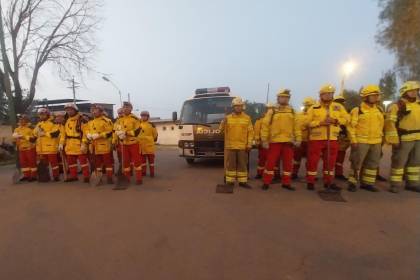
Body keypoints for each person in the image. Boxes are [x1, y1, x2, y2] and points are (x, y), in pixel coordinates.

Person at [305, 84, 349, 191]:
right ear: (321, 95)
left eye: (331, 93)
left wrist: (336, 121)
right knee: (313, 161)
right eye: (327, 94)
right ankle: (310, 181)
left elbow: (347, 119)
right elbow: (307, 122)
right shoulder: (314, 108)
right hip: (316, 139)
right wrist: (320, 123)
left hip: (332, 138)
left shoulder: (338, 107)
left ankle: (328, 181)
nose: (329, 96)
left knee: (330, 162)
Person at [261, 89, 301, 191]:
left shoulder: (292, 111)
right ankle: (266, 182)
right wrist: (264, 140)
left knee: (288, 164)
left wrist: (298, 139)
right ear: (278, 98)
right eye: (282, 97)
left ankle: (286, 183)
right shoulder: (272, 111)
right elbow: (265, 126)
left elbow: (297, 127)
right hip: (274, 142)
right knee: (270, 163)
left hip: (288, 142)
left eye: (286, 97)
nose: (284, 99)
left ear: (289, 99)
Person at [347, 85, 384, 192]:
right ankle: (352, 183)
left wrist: (382, 139)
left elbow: (382, 125)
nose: (376, 97)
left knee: (372, 164)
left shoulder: (380, 110)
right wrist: (353, 140)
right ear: (365, 97)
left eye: (377, 95)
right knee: (356, 163)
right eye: (373, 95)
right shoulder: (357, 110)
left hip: (376, 141)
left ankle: (368, 183)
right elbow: (351, 127)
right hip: (361, 142)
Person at [385, 81, 420, 193]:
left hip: (418, 138)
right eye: (411, 91)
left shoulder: (419, 105)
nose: (414, 93)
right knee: (399, 162)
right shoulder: (397, 106)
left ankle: (413, 184)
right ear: (404, 92)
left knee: (415, 163)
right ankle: (395, 185)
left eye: (416, 90)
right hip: (404, 139)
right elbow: (390, 124)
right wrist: (394, 140)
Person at [219, 97, 254, 188]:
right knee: (231, 165)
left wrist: (249, 144)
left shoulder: (247, 118)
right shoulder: (227, 118)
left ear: (243, 107)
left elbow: (250, 132)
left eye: (240, 106)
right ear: (233, 107)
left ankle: (243, 182)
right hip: (230, 146)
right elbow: (221, 131)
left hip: (242, 147)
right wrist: (223, 122)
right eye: (236, 106)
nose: (238, 108)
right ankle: (230, 182)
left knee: (242, 165)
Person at [59, 103, 90, 182]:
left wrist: (84, 143)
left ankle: (86, 176)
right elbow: (63, 134)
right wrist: (61, 143)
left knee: (83, 162)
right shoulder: (65, 121)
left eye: (70, 110)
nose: (69, 111)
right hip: (69, 145)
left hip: (79, 144)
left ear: (75, 110)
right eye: (67, 110)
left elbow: (85, 133)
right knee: (71, 163)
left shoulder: (81, 119)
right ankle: (73, 176)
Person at [114, 102, 143, 185]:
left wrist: (126, 133)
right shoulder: (119, 120)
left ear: (131, 108)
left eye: (127, 107)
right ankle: (127, 179)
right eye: (124, 107)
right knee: (125, 162)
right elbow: (115, 130)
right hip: (124, 144)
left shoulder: (135, 119)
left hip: (133, 143)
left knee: (137, 161)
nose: (125, 108)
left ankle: (139, 178)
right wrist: (118, 134)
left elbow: (137, 132)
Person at [86, 104, 114, 184]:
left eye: (95, 110)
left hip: (104, 146)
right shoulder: (90, 122)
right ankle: (99, 179)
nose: (93, 112)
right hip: (94, 146)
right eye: (92, 110)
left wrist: (99, 135)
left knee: (108, 163)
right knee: (97, 164)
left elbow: (109, 132)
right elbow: (87, 130)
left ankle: (109, 178)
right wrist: (88, 134)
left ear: (101, 111)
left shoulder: (106, 121)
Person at [33, 108, 62, 181]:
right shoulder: (39, 124)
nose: (41, 116)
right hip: (41, 149)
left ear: (47, 114)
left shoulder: (53, 123)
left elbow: (56, 133)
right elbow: (34, 134)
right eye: (40, 115)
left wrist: (45, 133)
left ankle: (56, 176)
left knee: (54, 164)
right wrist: (36, 133)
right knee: (43, 164)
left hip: (50, 148)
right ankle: (45, 177)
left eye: (43, 114)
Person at [292, 97, 315, 179]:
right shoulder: (298, 115)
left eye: (310, 105)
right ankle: (294, 173)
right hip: (300, 140)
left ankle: (310, 175)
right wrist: (305, 127)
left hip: (311, 141)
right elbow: (296, 126)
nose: (308, 107)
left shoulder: (315, 115)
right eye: (307, 105)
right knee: (296, 159)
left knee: (310, 160)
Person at [12, 114, 37, 182]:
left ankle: (34, 176)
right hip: (21, 148)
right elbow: (14, 139)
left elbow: (33, 139)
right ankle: (26, 175)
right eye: (20, 120)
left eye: (23, 120)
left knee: (32, 162)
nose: (21, 121)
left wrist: (23, 136)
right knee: (23, 163)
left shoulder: (30, 128)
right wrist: (14, 139)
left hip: (30, 148)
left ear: (26, 120)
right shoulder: (17, 129)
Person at [254, 103, 274, 179]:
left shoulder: (275, 119)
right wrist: (257, 141)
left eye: (272, 108)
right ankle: (260, 173)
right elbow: (257, 131)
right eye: (269, 108)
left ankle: (274, 175)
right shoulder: (261, 120)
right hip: (264, 143)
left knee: (273, 161)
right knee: (262, 159)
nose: (271, 110)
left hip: (273, 143)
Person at [333, 95, 350, 180]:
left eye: (342, 102)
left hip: (343, 138)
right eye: (338, 102)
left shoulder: (345, 113)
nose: (340, 104)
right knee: (332, 157)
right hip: (334, 137)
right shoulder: (331, 111)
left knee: (340, 157)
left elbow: (348, 123)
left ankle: (338, 174)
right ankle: (329, 175)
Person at [139, 111, 158, 177]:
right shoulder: (138, 124)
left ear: (148, 116)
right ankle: (143, 172)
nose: (143, 117)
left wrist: (151, 140)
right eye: (142, 116)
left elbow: (155, 135)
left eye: (145, 116)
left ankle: (152, 173)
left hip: (149, 146)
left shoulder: (151, 124)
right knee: (143, 162)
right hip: (141, 146)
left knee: (151, 162)